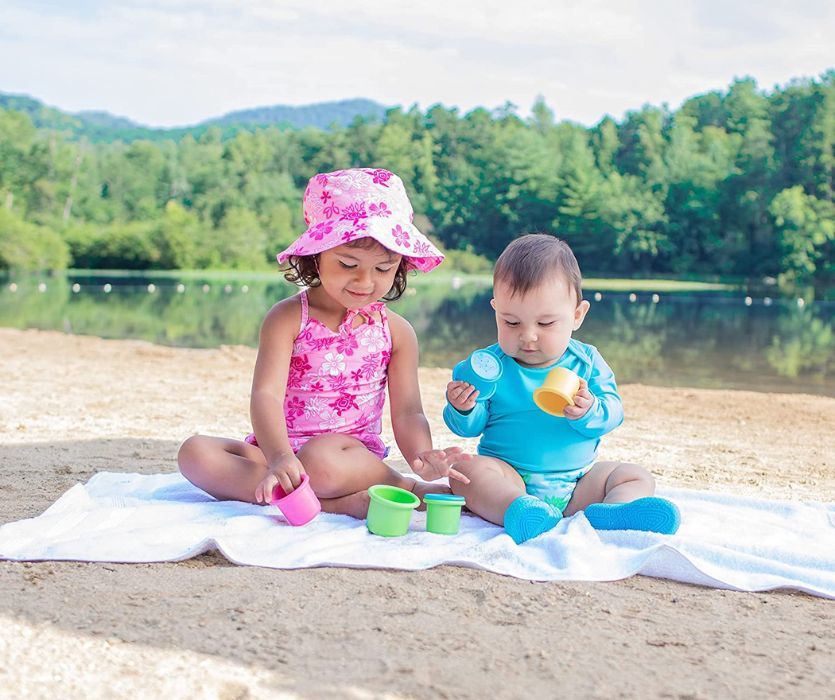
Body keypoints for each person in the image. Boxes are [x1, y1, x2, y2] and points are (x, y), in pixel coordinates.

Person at [178, 168, 470, 519]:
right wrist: (280, 457)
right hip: (279, 451)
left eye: (384, 268)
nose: (366, 281)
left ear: (401, 267)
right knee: (194, 453)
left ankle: (405, 486)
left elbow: (408, 412)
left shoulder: (397, 332)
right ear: (316, 255)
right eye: (349, 264)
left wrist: (421, 458)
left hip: (345, 457)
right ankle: (333, 504)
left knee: (322, 462)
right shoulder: (287, 318)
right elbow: (266, 396)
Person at [443, 233, 680, 544]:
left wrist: (590, 410)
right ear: (495, 310)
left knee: (634, 476)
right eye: (511, 322)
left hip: (578, 482)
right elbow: (470, 428)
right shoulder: (490, 366)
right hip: (510, 477)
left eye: (545, 324)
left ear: (577, 315)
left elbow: (614, 412)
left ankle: (612, 513)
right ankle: (518, 510)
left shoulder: (588, 362)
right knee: (465, 471)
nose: (528, 336)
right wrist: (463, 407)